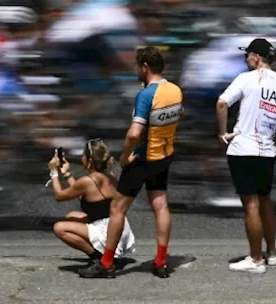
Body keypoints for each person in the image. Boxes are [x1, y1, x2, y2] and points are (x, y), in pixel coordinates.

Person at [80, 46, 182, 278]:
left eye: (138, 66)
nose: (136, 69)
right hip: (165, 155)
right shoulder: (175, 90)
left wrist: (125, 157)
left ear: (145, 67)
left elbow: (134, 133)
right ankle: (161, 262)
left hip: (143, 159)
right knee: (161, 206)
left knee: (117, 208)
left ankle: (106, 264)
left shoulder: (145, 96)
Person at [216, 38, 276, 274]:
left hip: (244, 149)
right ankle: (273, 252)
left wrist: (222, 133)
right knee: (265, 201)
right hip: (267, 151)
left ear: (256, 58)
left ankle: (256, 259)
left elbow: (221, 103)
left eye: (247, 56)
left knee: (251, 205)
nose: (246, 61)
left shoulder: (247, 79)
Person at [49, 139, 135, 263]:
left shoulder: (88, 181)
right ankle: (102, 253)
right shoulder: (110, 177)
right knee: (71, 216)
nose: (81, 158)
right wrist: (67, 174)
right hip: (119, 228)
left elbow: (59, 196)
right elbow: (83, 194)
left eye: (83, 155)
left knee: (59, 228)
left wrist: (54, 172)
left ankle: (96, 256)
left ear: (89, 161)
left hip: (107, 232)